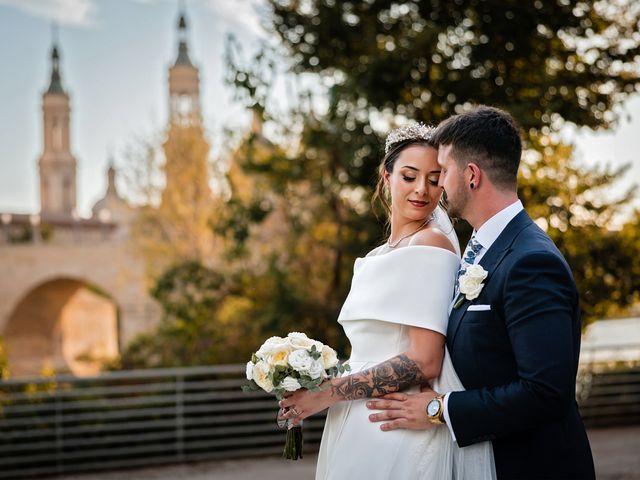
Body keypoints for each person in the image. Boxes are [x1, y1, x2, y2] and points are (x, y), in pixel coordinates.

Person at [367, 106, 596, 479]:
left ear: (471, 176)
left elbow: (545, 392)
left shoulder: (531, 261)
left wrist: (439, 409)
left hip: (532, 466)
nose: (437, 185)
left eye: (443, 171)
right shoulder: (481, 250)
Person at [279, 124, 496, 479]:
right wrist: (308, 383)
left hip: (394, 422)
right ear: (387, 175)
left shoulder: (431, 244)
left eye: (434, 178)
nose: (421, 189)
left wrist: (328, 392)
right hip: (351, 416)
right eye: (409, 176)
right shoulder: (375, 256)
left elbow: (426, 360)